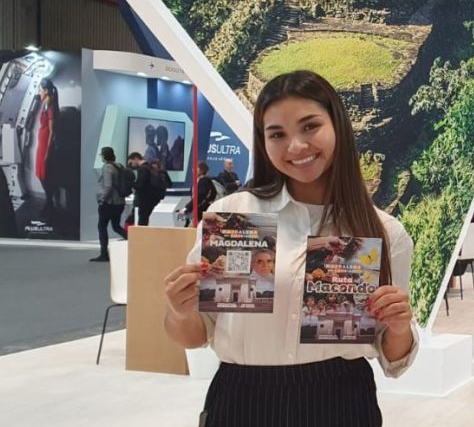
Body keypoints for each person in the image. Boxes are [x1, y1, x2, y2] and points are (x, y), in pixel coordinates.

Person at [162, 71, 418, 426]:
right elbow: (194, 335)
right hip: (242, 401)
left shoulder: (383, 232)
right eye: (277, 134)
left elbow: (394, 357)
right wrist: (179, 310)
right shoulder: (234, 217)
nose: (295, 146)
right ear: (263, 142)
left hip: (341, 402)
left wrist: (401, 326)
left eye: (310, 126)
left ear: (338, 127)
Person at [91, 147, 127, 262]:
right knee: (116, 226)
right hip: (120, 202)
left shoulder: (107, 167)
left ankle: (104, 253)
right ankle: (135, 243)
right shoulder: (119, 166)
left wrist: (102, 199)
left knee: (102, 227)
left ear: (105, 156)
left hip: (109, 202)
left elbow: (108, 186)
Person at [35, 79, 59, 217]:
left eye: (40, 89)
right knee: (40, 173)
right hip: (41, 142)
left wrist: (47, 152)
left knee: (44, 174)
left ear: (46, 90)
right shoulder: (45, 104)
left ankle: (49, 202)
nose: (39, 92)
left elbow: (51, 131)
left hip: (45, 144)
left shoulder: (50, 106)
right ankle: (48, 201)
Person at [180, 162, 217, 226]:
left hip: (200, 211)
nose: (192, 170)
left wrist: (187, 208)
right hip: (198, 210)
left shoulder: (204, 181)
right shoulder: (200, 180)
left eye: (195, 168)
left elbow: (199, 196)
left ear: (201, 170)